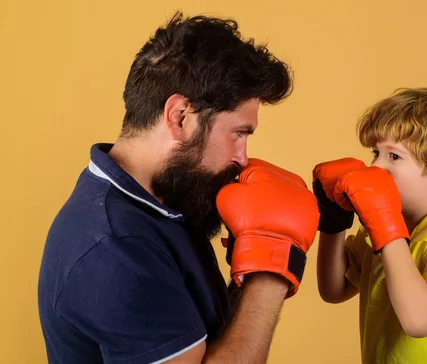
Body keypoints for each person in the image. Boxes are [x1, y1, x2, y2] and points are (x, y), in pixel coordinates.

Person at [38, 12, 319, 364]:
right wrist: (272, 268)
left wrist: (249, 261)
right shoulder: (117, 245)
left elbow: (206, 340)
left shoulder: (162, 202)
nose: (243, 158)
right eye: (239, 133)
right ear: (180, 117)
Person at [313, 87, 427, 363]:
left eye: (394, 156)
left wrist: (386, 226)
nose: (375, 167)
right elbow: (333, 289)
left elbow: (420, 320)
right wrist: (333, 220)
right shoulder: (377, 228)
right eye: (376, 152)